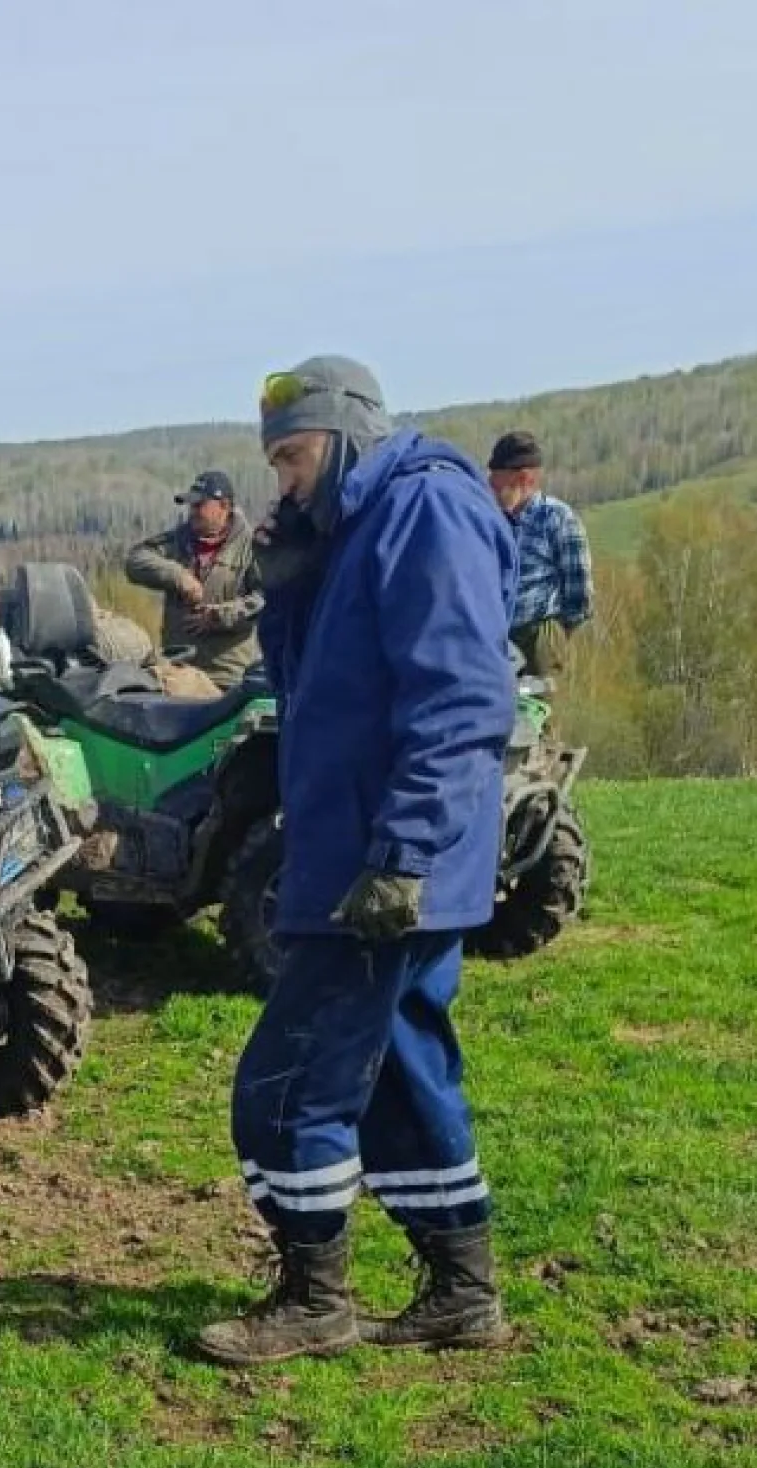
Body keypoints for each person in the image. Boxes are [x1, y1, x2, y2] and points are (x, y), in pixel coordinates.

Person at [196, 356, 517, 1369]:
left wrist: (405, 852)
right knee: (402, 1072)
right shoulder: (353, 526)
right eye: (275, 462)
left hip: (382, 864)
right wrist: (288, 586)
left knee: (286, 1085)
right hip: (364, 849)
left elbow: (461, 697)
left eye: (294, 456)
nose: (283, 479)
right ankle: (463, 1289)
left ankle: (313, 1298)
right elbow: (309, 689)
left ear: (345, 437)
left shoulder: (425, 510)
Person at [123, 468, 262, 692]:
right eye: (191, 505)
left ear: (224, 506)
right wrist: (178, 576)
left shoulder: (253, 548)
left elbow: (266, 600)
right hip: (177, 672)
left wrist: (218, 617)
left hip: (226, 678)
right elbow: (135, 560)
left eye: (200, 505)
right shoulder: (179, 540)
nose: (193, 511)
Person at [487, 431, 592, 678]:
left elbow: (578, 595)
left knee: (536, 703)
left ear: (523, 479)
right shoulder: (491, 521)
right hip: (497, 642)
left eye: (498, 483)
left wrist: (559, 644)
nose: (491, 488)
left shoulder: (558, 519)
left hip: (539, 641)